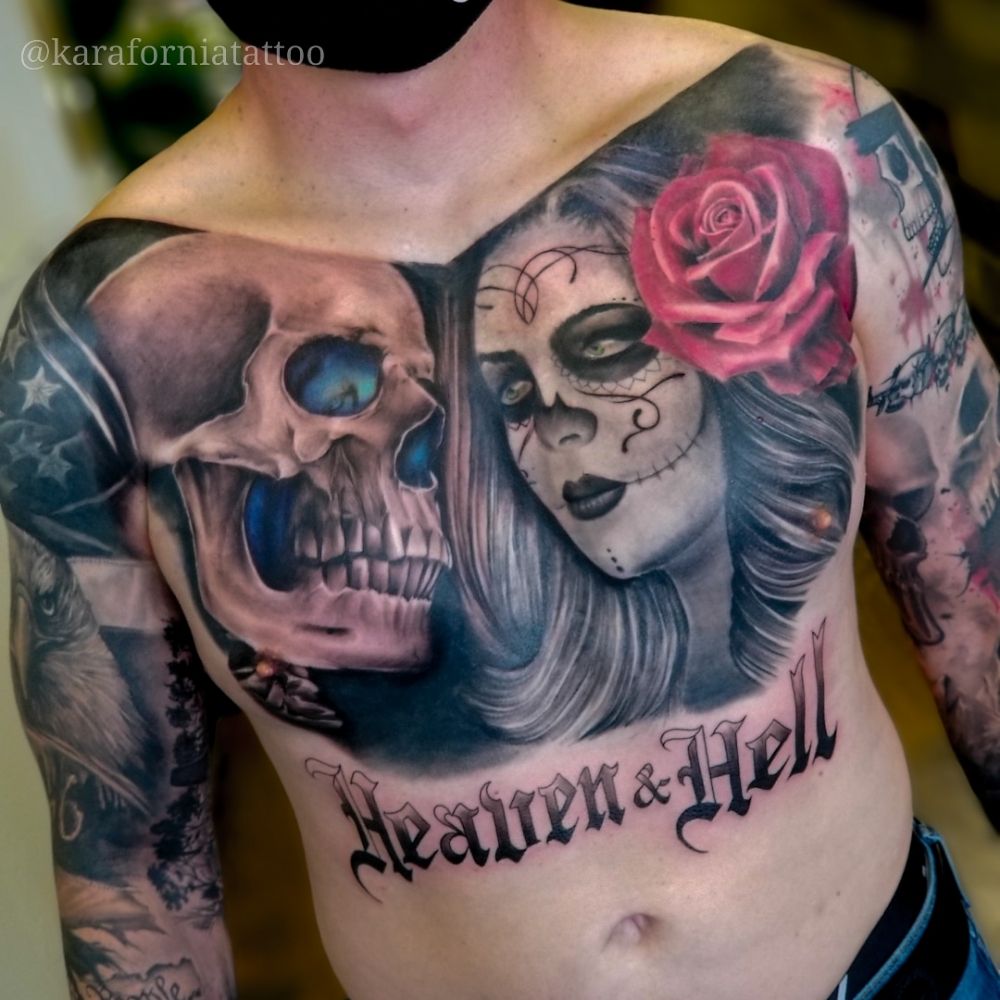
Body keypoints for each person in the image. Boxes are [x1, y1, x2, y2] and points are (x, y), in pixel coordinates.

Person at [1, 2, 997, 998]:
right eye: (512, 395)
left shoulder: (812, 133)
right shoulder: (87, 348)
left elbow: (977, 602)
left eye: (605, 344)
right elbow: (130, 870)